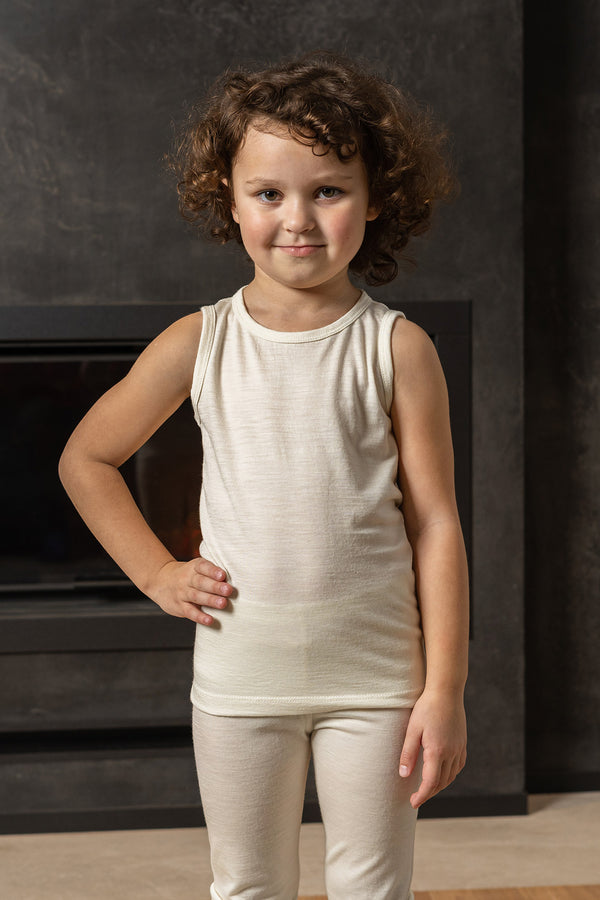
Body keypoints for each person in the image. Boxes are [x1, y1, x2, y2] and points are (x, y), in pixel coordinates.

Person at [59, 51, 469, 900]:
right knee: (247, 886)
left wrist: (446, 689)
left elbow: (435, 524)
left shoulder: (398, 350)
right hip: (241, 683)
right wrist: (156, 572)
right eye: (269, 193)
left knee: (372, 888)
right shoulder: (198, 342)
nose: (298, 219)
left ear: (376, 196)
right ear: (230, 198)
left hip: (378, 684)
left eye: (329, 190)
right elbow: (87, 459)